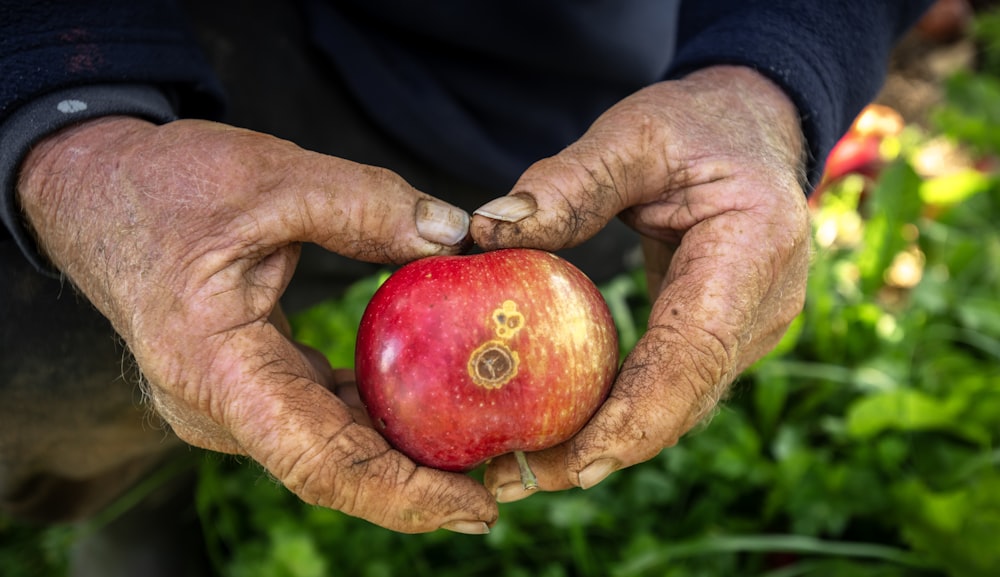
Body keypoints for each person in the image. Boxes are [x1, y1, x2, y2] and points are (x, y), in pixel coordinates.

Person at [1, 0, 933, 572]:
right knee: (47, 334)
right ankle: (133, 490)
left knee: (584, 225)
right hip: (179, 43)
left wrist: (770, 69)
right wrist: (70, 122)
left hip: (574, 89)